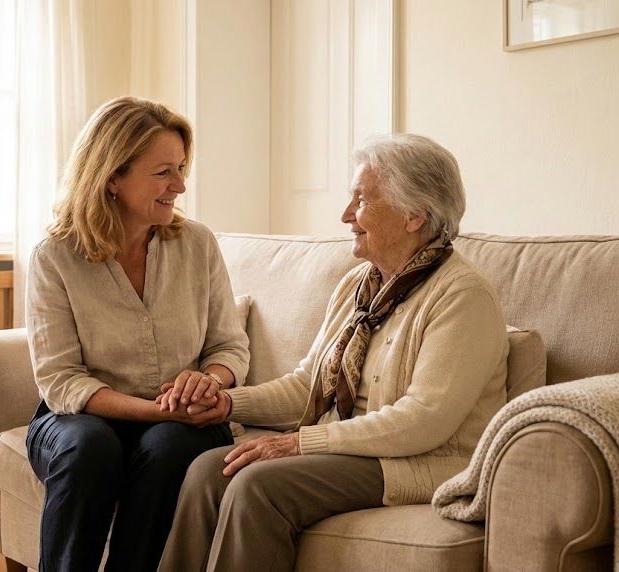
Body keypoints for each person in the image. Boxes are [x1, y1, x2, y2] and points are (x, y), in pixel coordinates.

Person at [158, 133, 509, 572]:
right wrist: (228, 402)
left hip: (418, 460)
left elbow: (424, 420)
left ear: (414, 215)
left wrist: (302, 443)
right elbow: (309, 384)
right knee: (209, 470)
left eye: (361, 200)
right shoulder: (358, 286)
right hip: (351, 449)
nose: (346, 215)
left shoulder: (463, 296)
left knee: (257, 486)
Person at [25, 96, 250, 572]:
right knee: (91, 448)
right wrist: (154, 410)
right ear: (112, 177)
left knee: (168, 447)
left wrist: (210, 381)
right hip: (78, 419)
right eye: (164, 172)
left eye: (182, 169)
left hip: (178, 423)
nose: (180, 186)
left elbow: (229, 345)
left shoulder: (198, 245)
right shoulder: (55, 256)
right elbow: (62, 381)